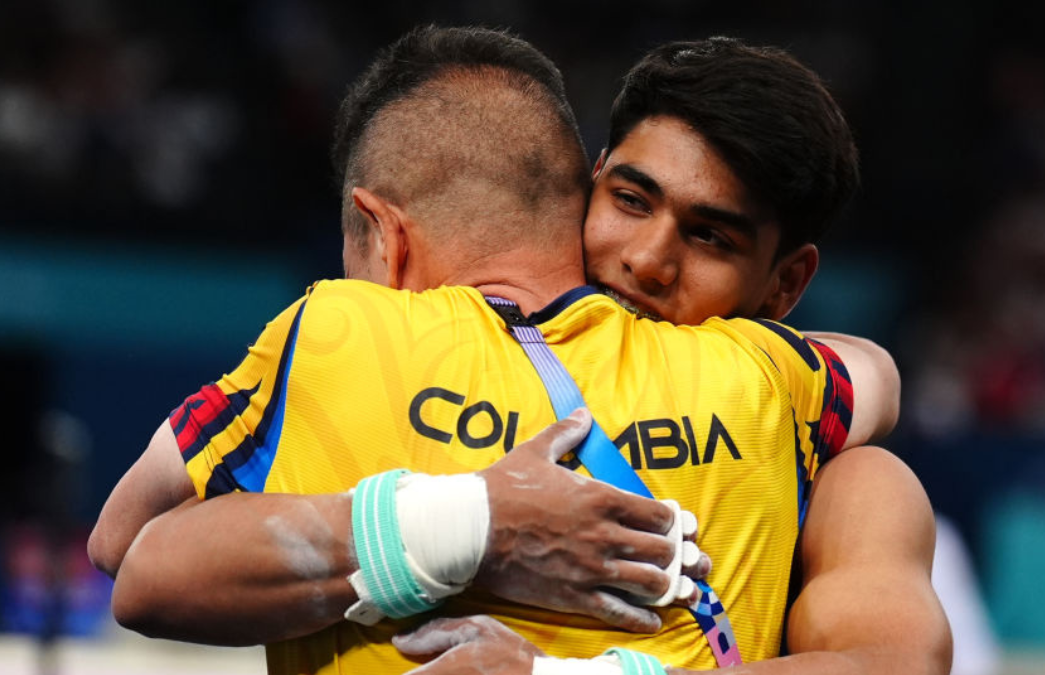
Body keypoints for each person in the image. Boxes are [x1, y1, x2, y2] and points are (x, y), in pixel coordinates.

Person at [91, 26, 948, 675]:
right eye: (631, 200)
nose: (647, 261)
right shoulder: (787, 382)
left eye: (711, 237)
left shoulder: (336, 328)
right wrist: (480, 521)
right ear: (589, 182)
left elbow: (126, 547)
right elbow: (871, 371)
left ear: (785, 286)